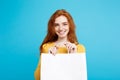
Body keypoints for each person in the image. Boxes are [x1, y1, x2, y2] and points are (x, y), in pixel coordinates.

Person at [34, 9, 86, 80]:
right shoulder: (46, 47)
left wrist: (74, 56)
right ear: (52, 27)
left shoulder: (79, 48)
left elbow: (80, 76)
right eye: (56, 25)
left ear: (70, 25)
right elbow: (37, 77)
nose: (61, 28)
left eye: (64, 24)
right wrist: (48, 59)